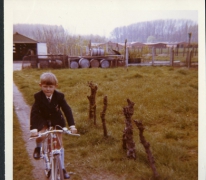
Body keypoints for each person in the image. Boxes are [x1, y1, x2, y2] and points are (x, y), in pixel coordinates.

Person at [30, 72, 77, 179]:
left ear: (55, 86)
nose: (48, 89)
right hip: (42, 119)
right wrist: (33, 128)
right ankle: (38, 148)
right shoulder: (38, 96)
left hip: (56, 120)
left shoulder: (59, 96)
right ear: (40, 85)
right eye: (45, 86)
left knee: (59, 143)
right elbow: (34, 112)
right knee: (41, 135)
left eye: (51, 87)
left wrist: (72, 125)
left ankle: (63, 167)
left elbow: (67, 109)